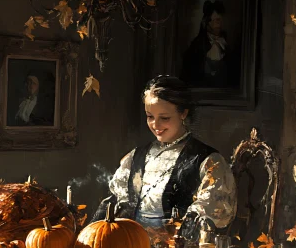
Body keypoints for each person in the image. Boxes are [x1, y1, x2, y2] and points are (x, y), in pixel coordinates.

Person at [92, 75, 237, 238]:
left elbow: (209, 216)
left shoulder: (207, 160)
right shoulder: (136, 156)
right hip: (132, 245)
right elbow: (120, 201)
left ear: (183, 113)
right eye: (150, 116)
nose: (155, 125)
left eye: (164, 118)